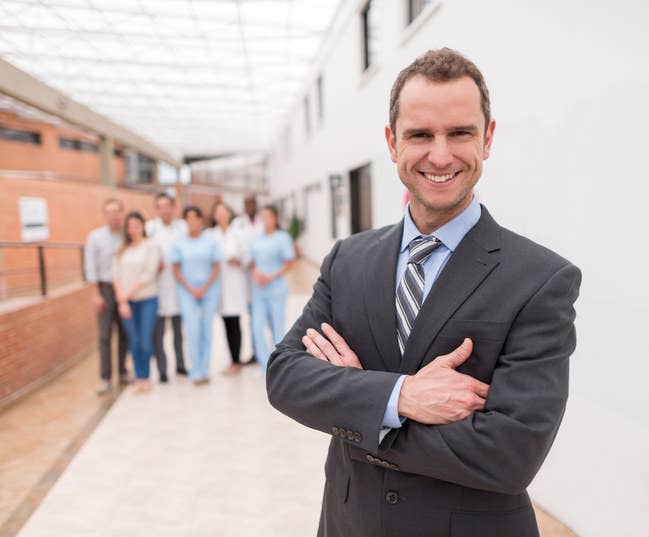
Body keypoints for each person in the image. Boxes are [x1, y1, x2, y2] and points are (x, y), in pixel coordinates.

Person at [266, 48, 582, 537]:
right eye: (420, 135)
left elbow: (510, 454)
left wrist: (361, 411)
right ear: (392, 143)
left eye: (459, 133)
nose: (440, 155)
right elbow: (286, 377)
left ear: (488, 138)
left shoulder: (540, 279)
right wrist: (401, 395)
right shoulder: (348, 259)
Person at [170, 206, 221, 385]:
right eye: (188, 218)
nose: (192, 221)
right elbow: (175, 269)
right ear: (185, 221)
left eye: (195, 217)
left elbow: (216, 266)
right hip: (187, 291)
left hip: (209, 290)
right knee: (193, 329)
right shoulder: (178, 242)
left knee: (207, 329)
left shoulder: (211, 241)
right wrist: (191, 289)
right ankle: (195, 370)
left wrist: (204, 287)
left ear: (201, 220)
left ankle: (204, 369)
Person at [84, 198, 130, 395]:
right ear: (105, 214)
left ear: (122, 213)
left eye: (117, 211)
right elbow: (90, 267)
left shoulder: (128, 236)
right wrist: (95, 294)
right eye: (110, 211)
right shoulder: (95, 237)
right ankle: (105, 378)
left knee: (125, 333)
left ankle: (122, 371)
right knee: (104, 336)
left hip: (125, 289)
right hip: (104, 289)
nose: (114, 215)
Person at [112, 211, 160, 394]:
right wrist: (122, 301)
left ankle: (145, 376)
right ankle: (138, 377)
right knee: (134, 340)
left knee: (146, 341)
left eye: (136, 225)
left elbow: (148, 275)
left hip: (147, 300)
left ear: (142, 226)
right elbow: (116, 276)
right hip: (126, 303)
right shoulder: (121, 250)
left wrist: (127, 294)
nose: (133, 229)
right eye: (130, 226)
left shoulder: (150, 246)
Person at [146, 192, 189, 381]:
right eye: (160, 206)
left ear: (172, 207)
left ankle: (180, 365)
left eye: (167, 206)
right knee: (159, 333)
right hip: (158, 287)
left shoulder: (182, 227)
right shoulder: (150, 229)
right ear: (157, 209)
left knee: (179, 333)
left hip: (179, 286)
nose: (164, 210)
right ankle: (162, 370)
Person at [249, 205, 295, 371]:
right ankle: (264, 364)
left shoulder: (282, 238)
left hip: (276, 288)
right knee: (257, 326)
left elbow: (289, 262)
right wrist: (256, 272)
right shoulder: (257, 238)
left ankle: (278, 365)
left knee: (277, 328)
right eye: (263, 217)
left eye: (268, 217)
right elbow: (252, 261)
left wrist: (271, 276)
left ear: (275, 218)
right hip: (259, 289)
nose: (265, 221)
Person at [208, 201, 248, 376]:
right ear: (214, 216)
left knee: (235, 322)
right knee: (226, 323)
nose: (221, 215)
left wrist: (238, 261)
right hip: (217, 285)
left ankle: (236, 361)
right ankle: (233, 360)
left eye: (224, 212)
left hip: (234, 283)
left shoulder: (238, 233)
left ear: (229, 214)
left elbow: (248, 257)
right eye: (218, 212)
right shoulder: (210, 235)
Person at [232, 195, 264, 365]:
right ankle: (255, 351)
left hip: (264, 275)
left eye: (252, 203)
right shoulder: (238, 223)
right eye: (247, 203)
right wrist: (245, 261)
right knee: (252, 317)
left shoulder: (264, 221)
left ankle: (264, 351)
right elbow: (234, 247)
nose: (250, 206)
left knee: (262, 318)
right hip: (245, 275)